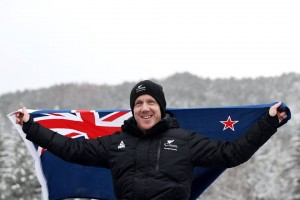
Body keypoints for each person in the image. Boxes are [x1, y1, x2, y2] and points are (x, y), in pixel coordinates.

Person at [15, 80, 288, 200]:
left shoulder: (185, 141)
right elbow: (72, 149)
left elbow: (232, 154)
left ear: (161, 107)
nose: (144, 107)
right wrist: (31, 127)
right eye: (139, 103)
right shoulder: (116, 143)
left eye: (151, 102)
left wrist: (268, 122)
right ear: (133, 109)